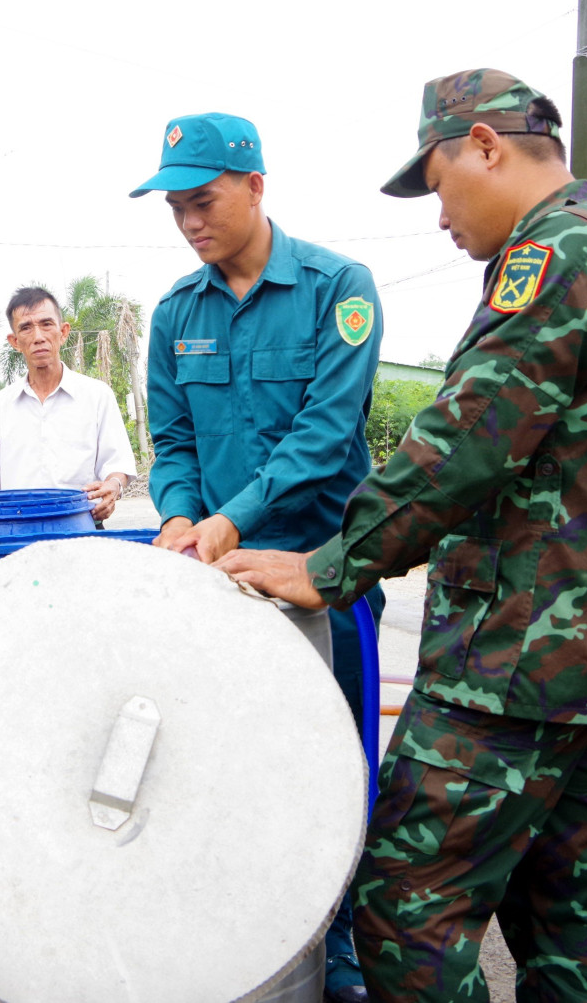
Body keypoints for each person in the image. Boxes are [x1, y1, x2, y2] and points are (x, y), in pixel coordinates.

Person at [215, 70, 587, 1003]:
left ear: (489, 148)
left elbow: (466, 440)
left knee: (405, 911)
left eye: (437, 181)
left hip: (509, 666)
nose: (437, 217)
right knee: (570, 914)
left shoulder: (559, 254)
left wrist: (335, 564)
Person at [130, 111, 385, 1003]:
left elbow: (323, 438)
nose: (190, 221)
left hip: (323, 580)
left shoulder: (336, 290)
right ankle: (237, 925)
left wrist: (228, 521)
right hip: (216, 583)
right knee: (228, 759)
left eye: (203, 200)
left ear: (256, 187)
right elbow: (171, 441)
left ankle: (339, 936)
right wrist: (178, 513)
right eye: (174, 209)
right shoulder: (173, 314)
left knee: (332, 764)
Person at [0, 286, 137, 524]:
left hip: (81, 527)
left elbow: (117, 464)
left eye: (46, 324)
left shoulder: (97, 395)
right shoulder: (1, 405)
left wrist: (112, 486)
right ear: (14, 341)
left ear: (63, 332)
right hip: (16, 530)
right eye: (26, 328)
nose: (38, 337)